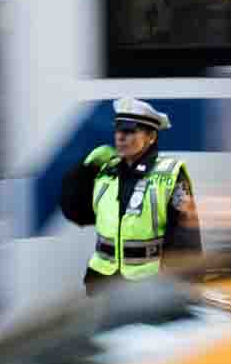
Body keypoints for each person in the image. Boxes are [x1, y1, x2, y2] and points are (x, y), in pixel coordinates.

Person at [60, 98, 203, 295]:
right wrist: (83, 171)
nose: (120, 137)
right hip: (101, 280)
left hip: (148, 285)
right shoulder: (105, 172)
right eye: (118, 129)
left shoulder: (170, 174)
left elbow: (186, 238)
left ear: (151, 136)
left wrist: (182, 290)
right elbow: (76, 213)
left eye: (129, 130)